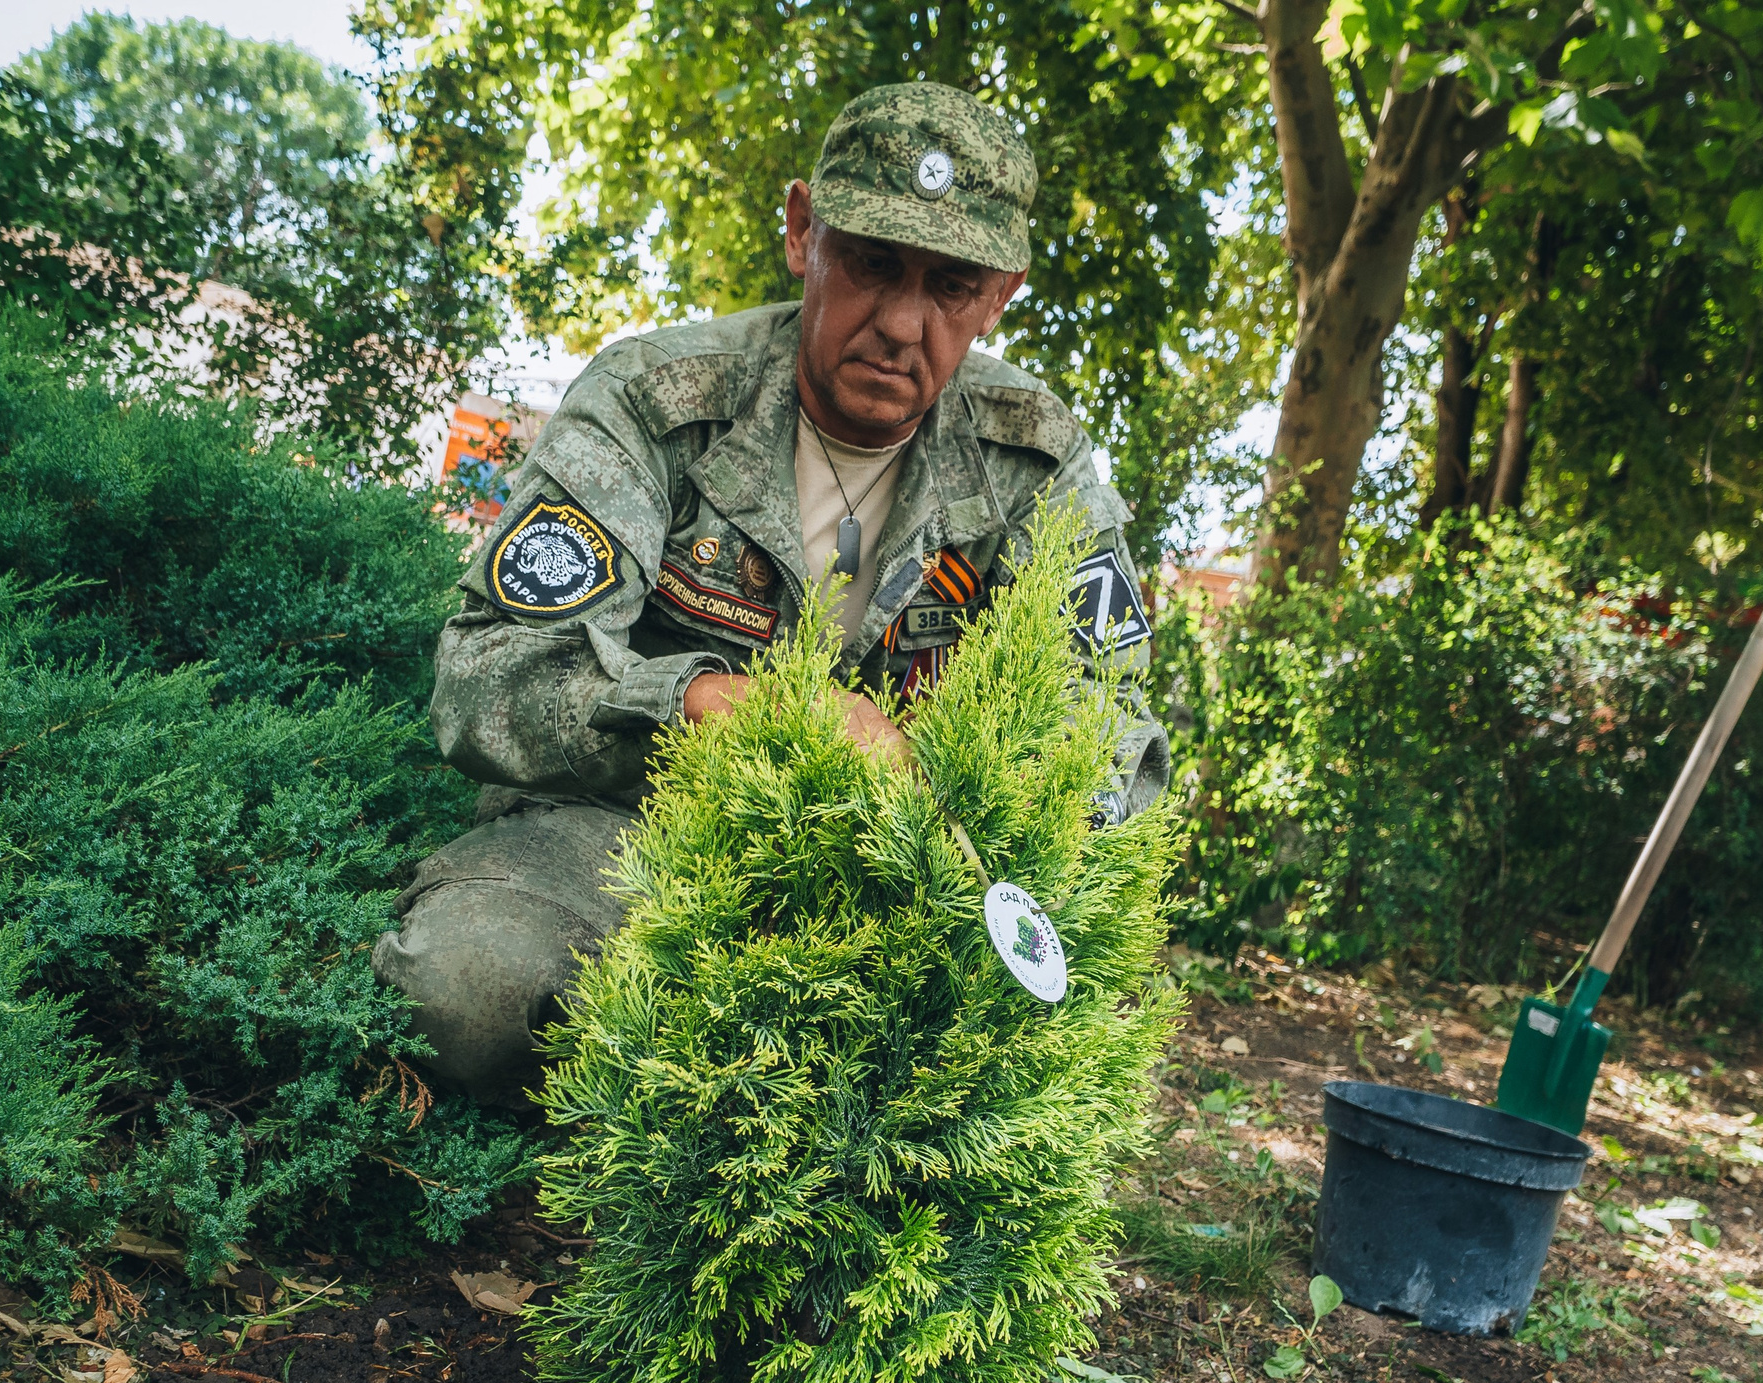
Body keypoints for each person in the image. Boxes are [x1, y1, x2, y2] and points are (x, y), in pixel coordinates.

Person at [374, 82, 1169, 1104]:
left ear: (1001, 295)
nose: (899, 322)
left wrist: (981, 830)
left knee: (1058, 1067)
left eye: (950, 286)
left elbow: (1110, 732)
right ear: (804, 234)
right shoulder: (655, 405)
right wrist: (729, 712)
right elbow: (492, 678)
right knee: (466, 989)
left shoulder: (1034, 461)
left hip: (904, 878)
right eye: (873, 264)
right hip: (623, 831)